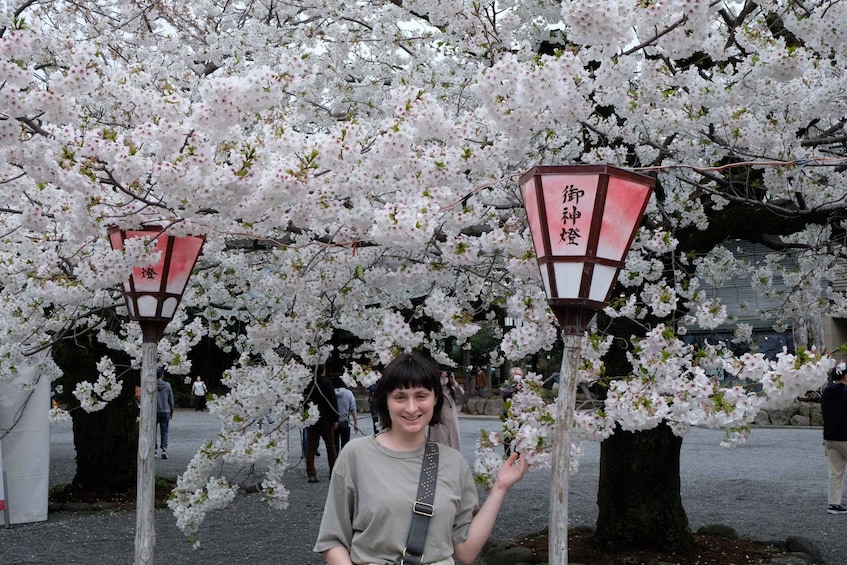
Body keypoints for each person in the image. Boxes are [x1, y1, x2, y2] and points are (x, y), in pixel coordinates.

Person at [314, 351, 528, 565]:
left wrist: (500, 488)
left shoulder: (454, 463)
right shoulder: (356, 455)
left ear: (435, 398)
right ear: (386, 400)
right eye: (400, 397)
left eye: (421, 396)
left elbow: (466, 551)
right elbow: (333, 540)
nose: (411, 407)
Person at [304, 367, 339, 483]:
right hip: (326, 419)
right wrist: (335, 418)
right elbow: (332, 401)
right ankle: (333, 472)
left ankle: (311, 474)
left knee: (311, 448)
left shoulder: (307, 384)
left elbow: (303, 402)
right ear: (322, 371)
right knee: (330, 447)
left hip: (311, 419)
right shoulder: (327, 383)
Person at [821, 361, 847, 514]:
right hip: (845, 436)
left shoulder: (826, 392)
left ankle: (834, 504)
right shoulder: (845, 393)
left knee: (835, 471)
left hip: (830, 437)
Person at [429, 369, 463, 450]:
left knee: (452, 443)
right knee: (440, 444)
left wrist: (454, 381)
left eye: (446, 377)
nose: (444, 379)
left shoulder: (452, 388)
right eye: (442, 377)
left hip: (451, 419)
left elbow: (461, 394)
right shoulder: (434, 390)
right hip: (439, 419)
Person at [333, 377, 358, 452]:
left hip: (333, 422)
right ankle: (344, 461)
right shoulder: (348, 393)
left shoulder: (330, 393)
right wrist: (355, 423)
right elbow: (353, 408)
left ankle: (335, 462)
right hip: (344, 421)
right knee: (345, 445)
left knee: (334, 446)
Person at [155, 367, 175, 460]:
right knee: (164, 431)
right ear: (162, 375)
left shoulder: (152, 385)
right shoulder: (167, 385)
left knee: (153, 431)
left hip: (154, 411)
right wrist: (172, 411)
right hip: (165, 410)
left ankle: (153, 450)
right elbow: (170, 399)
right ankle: (164, 448)